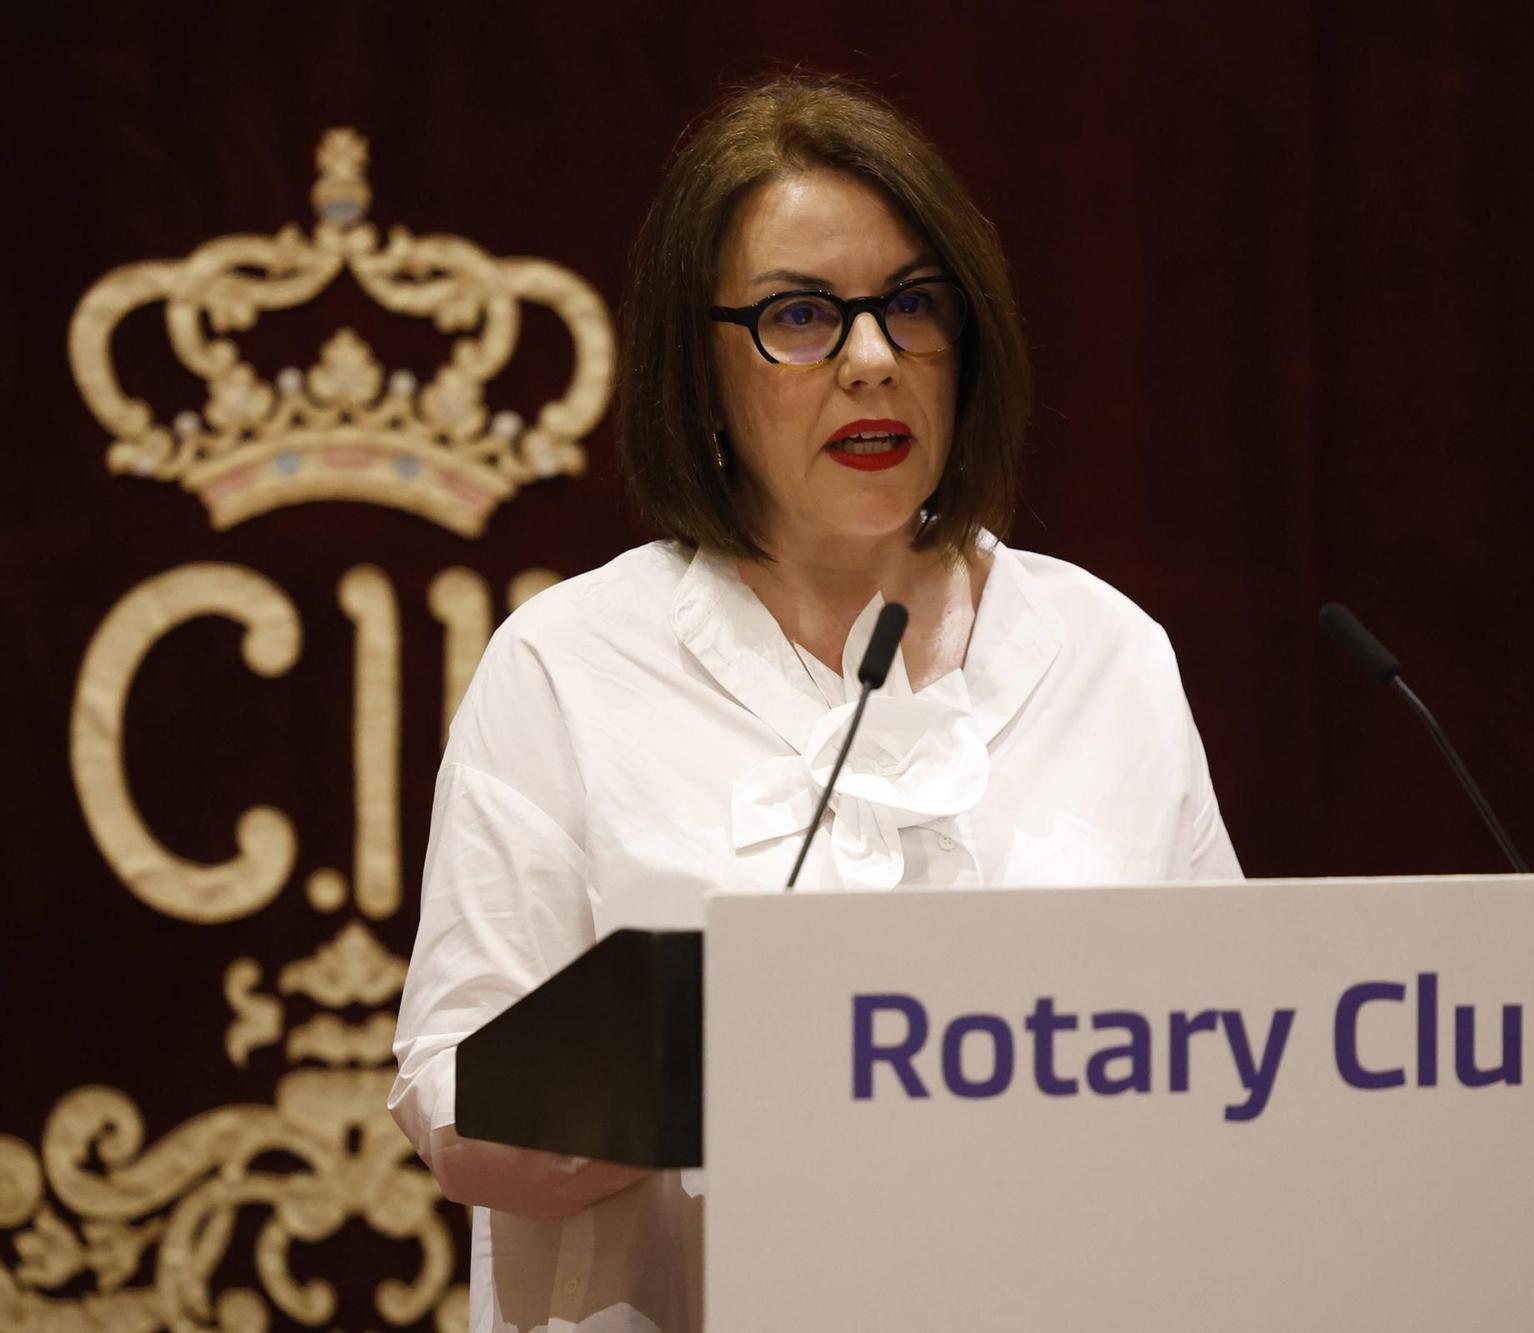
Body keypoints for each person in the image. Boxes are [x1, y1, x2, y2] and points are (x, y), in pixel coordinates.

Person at [389, 73, 1241, 1333]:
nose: (870, 359)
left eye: (909, 306)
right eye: (799, 316)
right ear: (703, 364)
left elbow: (1226, 1062)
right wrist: (756, 1047)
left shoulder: (1104, 652)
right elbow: (454, 1100)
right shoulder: (569, 665)